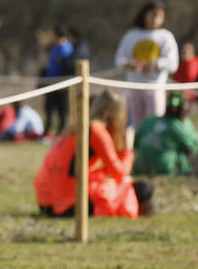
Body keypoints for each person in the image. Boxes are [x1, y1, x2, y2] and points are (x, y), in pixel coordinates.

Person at [34, 89, 152, 217]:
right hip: (68, 204)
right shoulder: (97, 132)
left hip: (45, 202)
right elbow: (119, 173)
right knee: (144, 188)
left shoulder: (72, 128)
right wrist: (128, 149)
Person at [113, 0, 179, 129]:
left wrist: (156, 64)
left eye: (159, 16)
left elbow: (173, 63)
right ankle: (138, 148)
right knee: (136, 124)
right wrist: (129, 64)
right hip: (134, 86)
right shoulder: (131, 35)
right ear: (145, 15)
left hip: (155, 86)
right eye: (153, 15)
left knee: (156, 123)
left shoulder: (165, 36)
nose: (156, 19)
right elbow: (119, 59)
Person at [133, 91, 198, 177]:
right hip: (164, 169)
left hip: (138, 166)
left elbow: (136, 142)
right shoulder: (180, 126)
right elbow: (197, 147)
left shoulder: (151, 120)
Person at [39, 24, 76, 135]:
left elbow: (68, 66)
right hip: (50, 82)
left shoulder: (68, 48)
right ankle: (47, 132)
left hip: (62, 83)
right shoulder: (55, 48)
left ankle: (61, 133)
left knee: (62, 111)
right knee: (49, 109)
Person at [172, 40, 198, 106]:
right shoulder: (179, 65)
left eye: (188, 49)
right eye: (183, 49)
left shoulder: (197, 63)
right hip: (179, 97)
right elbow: (175, 82)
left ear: (193, 52)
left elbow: (192, 77)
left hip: (195, 97)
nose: (184, 51)